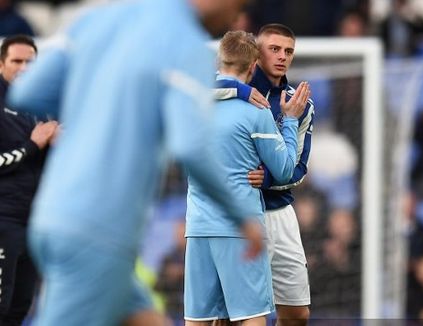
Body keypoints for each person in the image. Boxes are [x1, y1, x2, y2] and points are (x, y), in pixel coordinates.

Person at [7, 1, 263, 325]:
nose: (237, 15)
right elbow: (190, 146)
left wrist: (97, 101)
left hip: (53, 216)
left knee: (147, 319)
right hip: (99, 232)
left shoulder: (99, 18)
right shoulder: (186, 44)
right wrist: (242, 216)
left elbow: (28, 91)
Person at [185, 30, 309, 325]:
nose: (281, 56)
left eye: (288, 51)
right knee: (249, 317)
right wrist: (288, 121)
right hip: (242, 225)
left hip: (201, 224)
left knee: (200, 319)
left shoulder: (193, 103)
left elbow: (298, 168)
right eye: (274, 49)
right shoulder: (256, 108)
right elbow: (285, 168)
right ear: (255, 61)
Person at [0, 34, 58, 326]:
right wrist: (32, 146)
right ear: (1, 64)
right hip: (3, 219)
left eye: (30, 62)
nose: (24, 68)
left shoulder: (40, 105)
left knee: (20, 306)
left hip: (32, 220)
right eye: (17, 61)